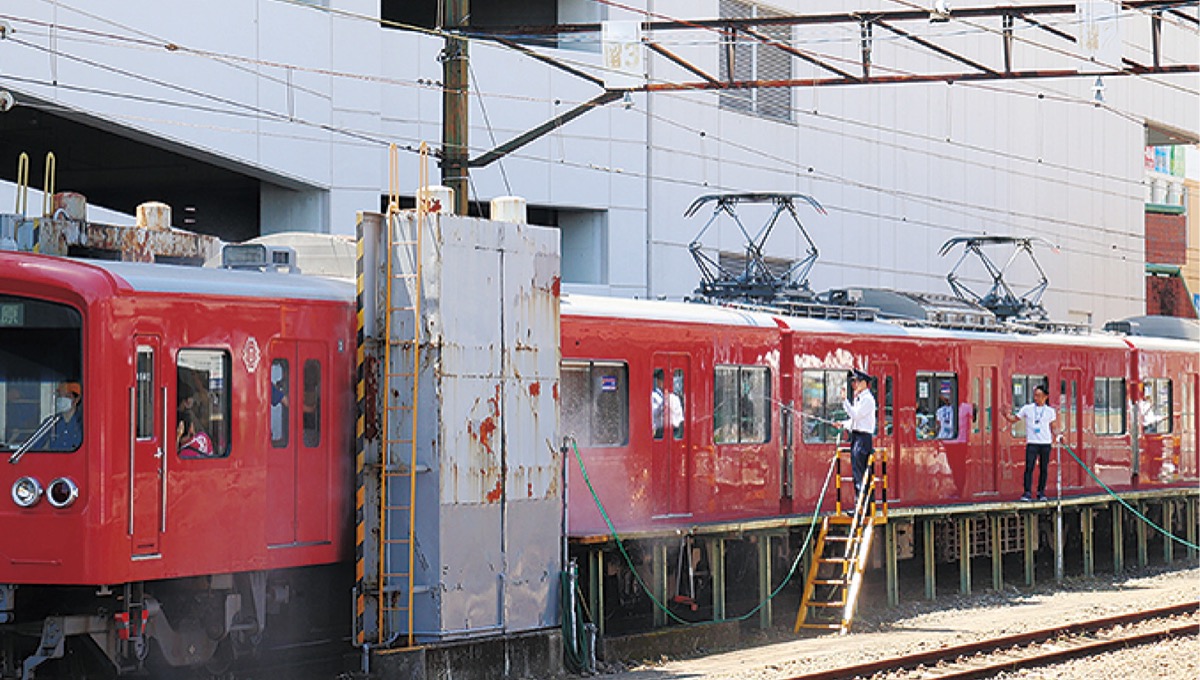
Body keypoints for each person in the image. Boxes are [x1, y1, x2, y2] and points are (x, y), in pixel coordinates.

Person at [1003, 384, 1055, 501]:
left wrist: (1060, 435)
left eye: (1039, 396)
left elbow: (1054, 427)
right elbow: (1014, 419)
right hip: (1032, 443)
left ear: (1045, 397)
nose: (1036, 398)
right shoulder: (1027, 409)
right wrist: (1006, 416)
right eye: (1035, 395)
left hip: (1045, 443)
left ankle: (1041, 492)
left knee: (1043, 468)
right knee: (1029, 467)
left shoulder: (1050, 411)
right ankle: (1027, 492)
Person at [839, 369, 876, 501]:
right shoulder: (859, 398)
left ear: (864, 383)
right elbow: (855, 422)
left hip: (863, 439)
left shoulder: (867, 400)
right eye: (853, 382)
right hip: (856, 437)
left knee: (861, 472)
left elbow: (856, 415)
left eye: (856, 381)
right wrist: (843, 424)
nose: (854, 384)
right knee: (857, 473)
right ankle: (859, 503)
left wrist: (845, 401)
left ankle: (864, 504)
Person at [30, 381, 83, 451]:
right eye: (60, 396)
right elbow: (33, 446)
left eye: (67, 396)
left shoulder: (83, 424)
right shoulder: (50, 423)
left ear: (77, 399)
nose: (62, 399)